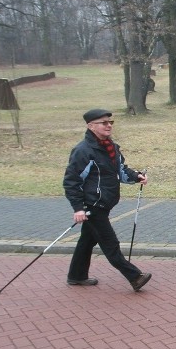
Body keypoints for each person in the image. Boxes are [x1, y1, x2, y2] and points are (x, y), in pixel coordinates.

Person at [63, 108, 152, 292]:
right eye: (104, 123)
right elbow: (72, 181)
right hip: (93, 206)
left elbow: (120, 171)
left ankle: (76, 276)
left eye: (110, 122)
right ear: (91, 126)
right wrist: (78, 208)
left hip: (105, 204)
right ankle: (135, 277)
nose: (109, 125)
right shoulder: (83, 151)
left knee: (87, 241)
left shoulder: (111, 147)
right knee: (110, 244)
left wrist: (136, 176)